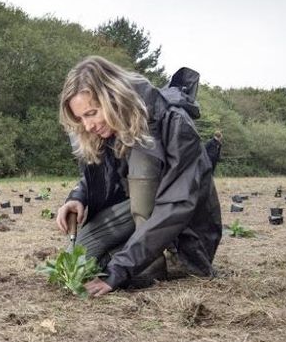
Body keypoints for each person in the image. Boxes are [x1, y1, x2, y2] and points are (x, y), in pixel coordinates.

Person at [55, 56, 222, 297]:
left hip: (182, 229)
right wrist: (78, 197)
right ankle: (133, 255)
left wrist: (119, 270)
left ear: (113, 97)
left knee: (142, 160)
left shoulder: (174, 122)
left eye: (91, 113)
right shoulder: (108, 128)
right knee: (79, 254)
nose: (88, 125)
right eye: (81, 118)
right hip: (137, 209)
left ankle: (154, 260)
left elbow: (177, 204)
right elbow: (107, 177)